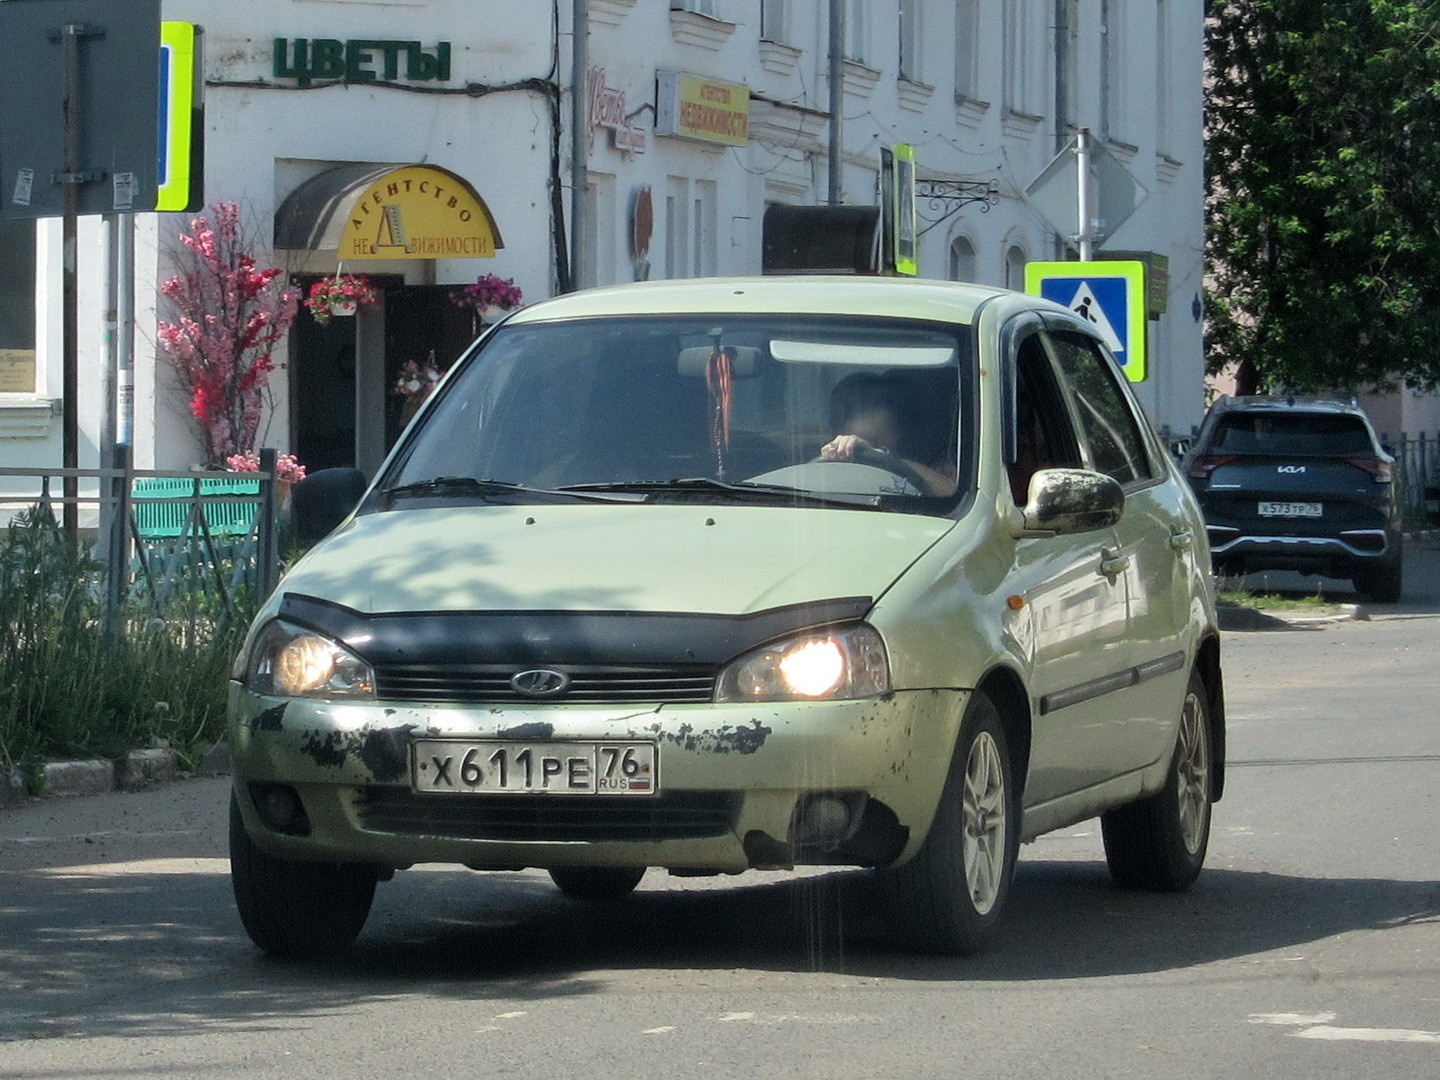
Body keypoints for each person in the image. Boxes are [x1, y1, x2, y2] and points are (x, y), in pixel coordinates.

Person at [819, 371, 958, 496]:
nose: (842, 421)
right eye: (836, 413)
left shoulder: (943, 460)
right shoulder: (826, 461)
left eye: (853, 409)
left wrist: (882, 459)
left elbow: (952, 497)